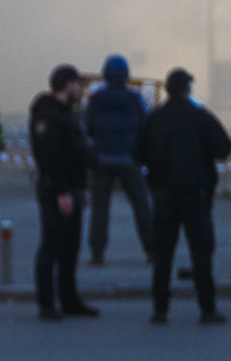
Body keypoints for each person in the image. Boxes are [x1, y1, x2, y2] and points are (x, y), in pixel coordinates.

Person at [133, 68, 231, 325]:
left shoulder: (154, 119)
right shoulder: (200, 117)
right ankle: (207, 309)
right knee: (200, 253)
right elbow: (224, 148)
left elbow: (136, 153)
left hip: (163, 194)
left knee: (163, 254)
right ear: (188, 89)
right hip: (196, 195)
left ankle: (160, 310)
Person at [29, 64, 96, 319]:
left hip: (74, 187)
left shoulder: (67, 113)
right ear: (67, 84)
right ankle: (46, 303)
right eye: (77, 84)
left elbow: (76, 152)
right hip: (58, 190)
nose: (79, 89)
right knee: (52, 246)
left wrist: (83, 187)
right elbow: (49, 157)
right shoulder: (47, 114)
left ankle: (70, 299)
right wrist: (62, 192)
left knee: (71, 248)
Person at [83, 55, 153, 265]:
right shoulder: (134, 98)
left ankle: (97, 253)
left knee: (100, 209)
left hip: (102, 160)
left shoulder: (96, 99)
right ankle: (152, 250)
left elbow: (89, 128)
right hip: (129, 160)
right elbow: (145, 127)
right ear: (126, 75)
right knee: (141, 205)